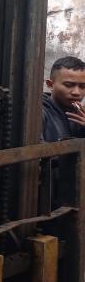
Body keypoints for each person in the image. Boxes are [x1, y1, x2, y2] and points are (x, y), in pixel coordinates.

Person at [41, 56, 85, 208]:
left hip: (75, 198)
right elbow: (35, 155)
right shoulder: (39, 112)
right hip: (48, 199)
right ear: (50, 84)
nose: (76, 92)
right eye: (68, 85)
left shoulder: (80, 114)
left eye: (82, 86)